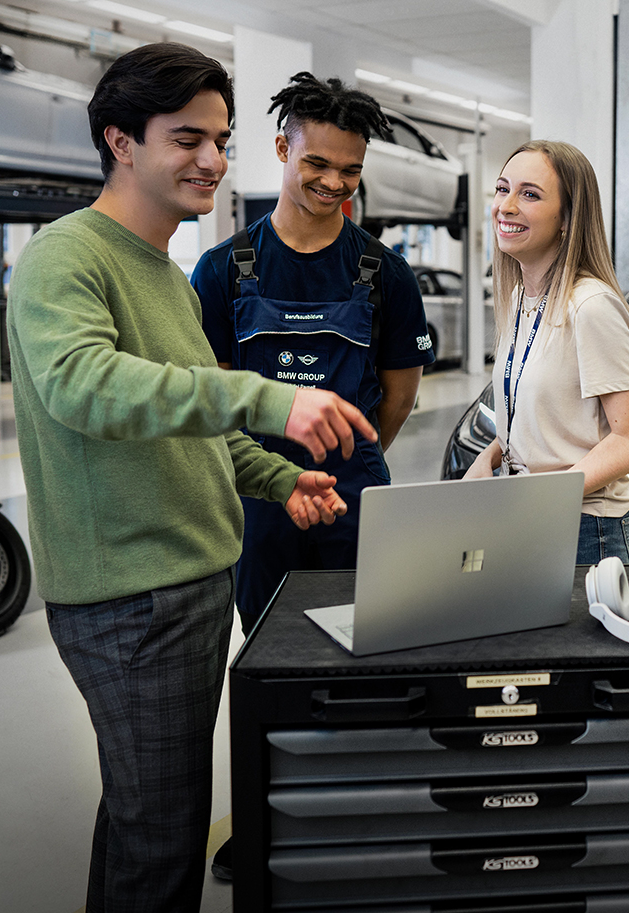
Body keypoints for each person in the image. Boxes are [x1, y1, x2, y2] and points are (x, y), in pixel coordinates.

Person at [5, 42, 377, 913]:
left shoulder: (167, 278)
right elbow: (85, 386)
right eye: (187, 139)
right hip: (132, 595)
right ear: (120, 141)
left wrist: (276, 479)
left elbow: (190, 427)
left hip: (188, 579)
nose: (212, 160)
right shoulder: (69, 257)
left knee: (147, 816)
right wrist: (266, 398)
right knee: (163, 835)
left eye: (221, 139)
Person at [190, 70, 433, 880]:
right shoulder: (224, 271)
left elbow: (397, 398)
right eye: (317, 163)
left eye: (350, 169)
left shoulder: (385, 274)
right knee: (267, 663)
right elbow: (213, 398)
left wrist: (350, 461)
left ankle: (362, 812)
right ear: (283, 147)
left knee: (370, 655)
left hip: (359, 497)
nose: (332, 182)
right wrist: (275, 470)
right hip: (258, 501)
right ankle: (264, 817)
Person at [464, 140, 629, 565]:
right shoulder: (520, 299)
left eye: (529, 194)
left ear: (567, 218)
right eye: (502, 189)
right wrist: (489, 455)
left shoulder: (590, 307)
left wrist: (543, 498)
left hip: (586, 529)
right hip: (530, 514)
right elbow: (540, 419)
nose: (506, 206)